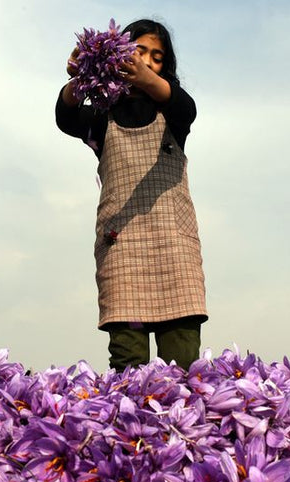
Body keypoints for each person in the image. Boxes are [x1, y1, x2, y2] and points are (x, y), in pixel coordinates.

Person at [55, 19, 207, 371]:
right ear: (118, 55)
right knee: (128, 365)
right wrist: (81, 77)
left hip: (175, 250)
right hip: (121, 251)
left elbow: (186, 107)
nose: (147, 61)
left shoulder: (173, 114)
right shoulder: (101, 119)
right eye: (138, 51)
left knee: (182, 366)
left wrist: (144, 76)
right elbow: (66, 116)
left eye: (156, 57)